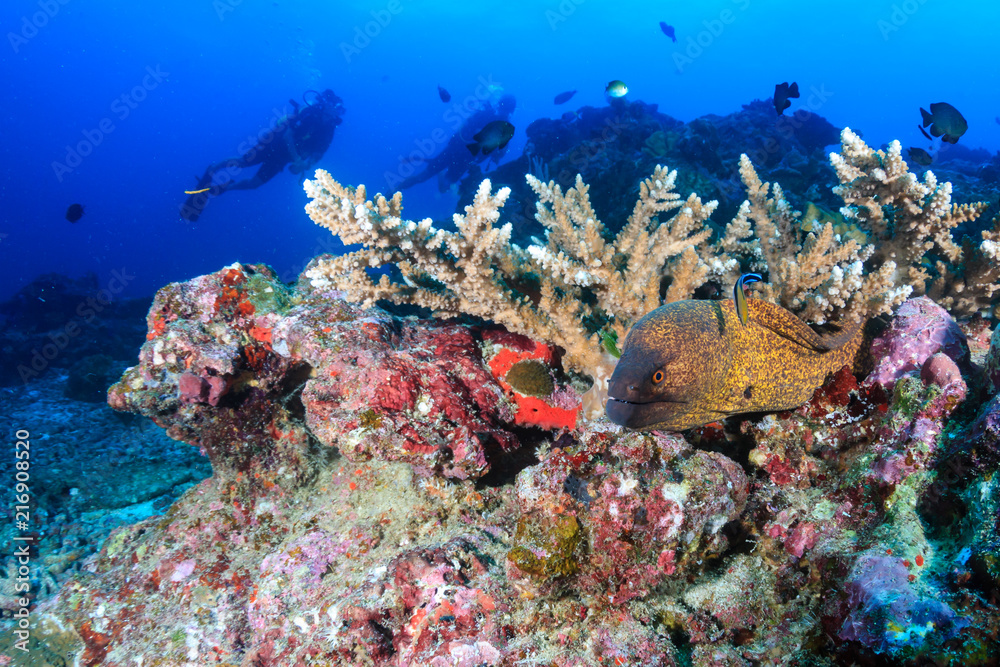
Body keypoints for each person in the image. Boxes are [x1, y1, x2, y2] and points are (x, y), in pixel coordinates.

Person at [180, 89, 345, 222]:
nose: (336, 112)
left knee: (254, 184)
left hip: (282, 159)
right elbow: (288, 136)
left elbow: (319, 153)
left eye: (338, 109)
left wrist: (305, 165)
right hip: (271, 144)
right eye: (334, 107)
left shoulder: (329, 129)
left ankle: (224, 188)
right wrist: (297, 159)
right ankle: (213, 168)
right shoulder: (309, 113)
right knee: (242, 162)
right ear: (326, 105)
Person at [397, 94, 516, 191]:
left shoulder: (488, 116)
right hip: (460, 154)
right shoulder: (501, 124)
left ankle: (394, 190)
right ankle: (394, 190)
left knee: (427, 179)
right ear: (511, 110)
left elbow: (466, 128)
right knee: (433, 181)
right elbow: (499, 153)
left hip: (459, 153)